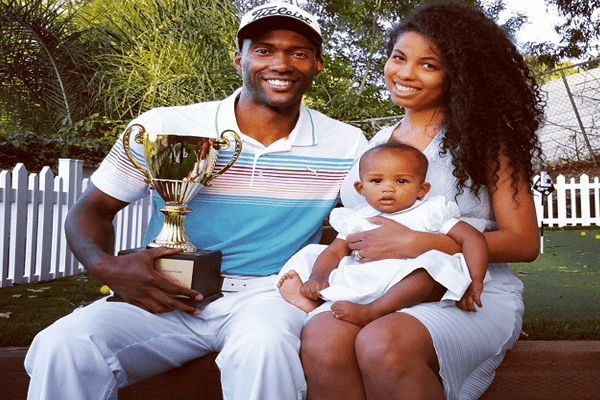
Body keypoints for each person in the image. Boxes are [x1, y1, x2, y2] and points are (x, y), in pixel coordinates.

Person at [24, 3, 367, 400]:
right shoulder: (164, 125)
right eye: (265, 50)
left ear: (316, 66)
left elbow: (361, 226)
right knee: (64, 343)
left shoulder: (346, 143)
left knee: (265, 348)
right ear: (240, 58)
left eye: (299, 53)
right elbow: (92, 210)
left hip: (268, 296)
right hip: (165, 292)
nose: (282, 63)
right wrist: (107, 268)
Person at [300, 2, 543, 400]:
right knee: (322, 338)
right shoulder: (380, 141)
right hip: (373, 289)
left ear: (459, 75)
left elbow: (524, 242)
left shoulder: (487, 140)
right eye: (399, 58)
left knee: (383, 344)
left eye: (428, 65)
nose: (405, 73)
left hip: (464, 292)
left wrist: (421, 243)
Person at [277, 142, 489, 327]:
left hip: (407, 283)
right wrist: (318, 277)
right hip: (364, 278)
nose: (388, 188)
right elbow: (334, 252)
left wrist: (475, 280)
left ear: (422, 189)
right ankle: (316, 300)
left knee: (428, 268)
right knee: (311, 255)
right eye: (377, 181)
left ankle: (373, 310)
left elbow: (473, 238)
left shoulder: (431, 212)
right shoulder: (357, 218)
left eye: (401, 181)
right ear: (361, 188)